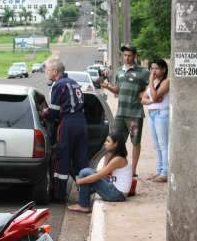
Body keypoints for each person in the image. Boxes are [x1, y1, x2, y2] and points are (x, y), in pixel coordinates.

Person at [42, 59, 88, 203]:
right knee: (81, 158)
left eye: (47, 70)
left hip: (68, 124)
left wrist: (43, 112)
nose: (46, 72)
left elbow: (54, 113)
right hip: (82, 122)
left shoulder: (58, 85)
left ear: (55, 72)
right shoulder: (73, 83)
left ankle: (60, 195)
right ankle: (85, 193)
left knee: (63, 158)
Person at [100, 44, 150, 177]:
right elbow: (117, 89)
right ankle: (106, 169)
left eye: (129, 55)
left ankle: (133, 171)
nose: (127, 58)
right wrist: (108, 86)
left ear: (135, 56)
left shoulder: (143, 72)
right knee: (113, 139)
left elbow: (150, 86)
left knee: (135, 142)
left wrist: (143, 94)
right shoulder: (119, 71)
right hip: (121, 114)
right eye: (125, 55)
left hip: (134, 115)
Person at [68, 133, 132, 213]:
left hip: (117, 194)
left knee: (85, 174)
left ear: (115, 144)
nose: (105, 143)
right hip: (114, 188)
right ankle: (84, 195)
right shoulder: (117, 156)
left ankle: (83, 206)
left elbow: (99, 175)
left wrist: (80, 181)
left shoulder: (118, 160)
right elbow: (102, 171)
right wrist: (107, 153)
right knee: (86, 172)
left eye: (108, 141)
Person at [141, 58, 170, 182]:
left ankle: (165, 172)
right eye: (152, 68)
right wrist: (152, 100)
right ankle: (159, 170)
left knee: (164, 145)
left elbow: (154, 95)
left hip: (162, 114)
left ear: (163, 70)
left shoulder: (166, 82)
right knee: (156, 145)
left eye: (156, 68)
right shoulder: (153, 82)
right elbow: (144, 99)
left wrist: (151, 82)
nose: (153, 71)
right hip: (152, 114)